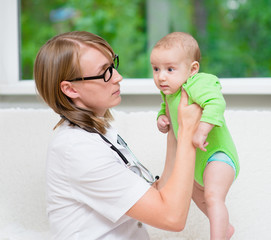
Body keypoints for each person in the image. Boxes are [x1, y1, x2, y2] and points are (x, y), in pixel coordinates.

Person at [34, 31, 202, 240]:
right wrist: (188, 134)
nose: (117, 77)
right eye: (105, 72)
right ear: (70, 89)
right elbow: (172, 218)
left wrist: (175, 128)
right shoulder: (77, 150)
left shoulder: (100, 132)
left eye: (113, 66)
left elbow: (157, 196)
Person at [150, 32, 240, 240]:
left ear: (193, 69)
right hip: (196, 161)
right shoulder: (170, 91)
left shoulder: (198, 83)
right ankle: (225, 227)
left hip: (217, 155)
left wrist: (202, 130)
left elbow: (216, 103)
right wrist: (161, 119)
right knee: (190, 190)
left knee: (213, 196)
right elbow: (166, 109)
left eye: (170, 69)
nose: (161, 76)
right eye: (156, 69)